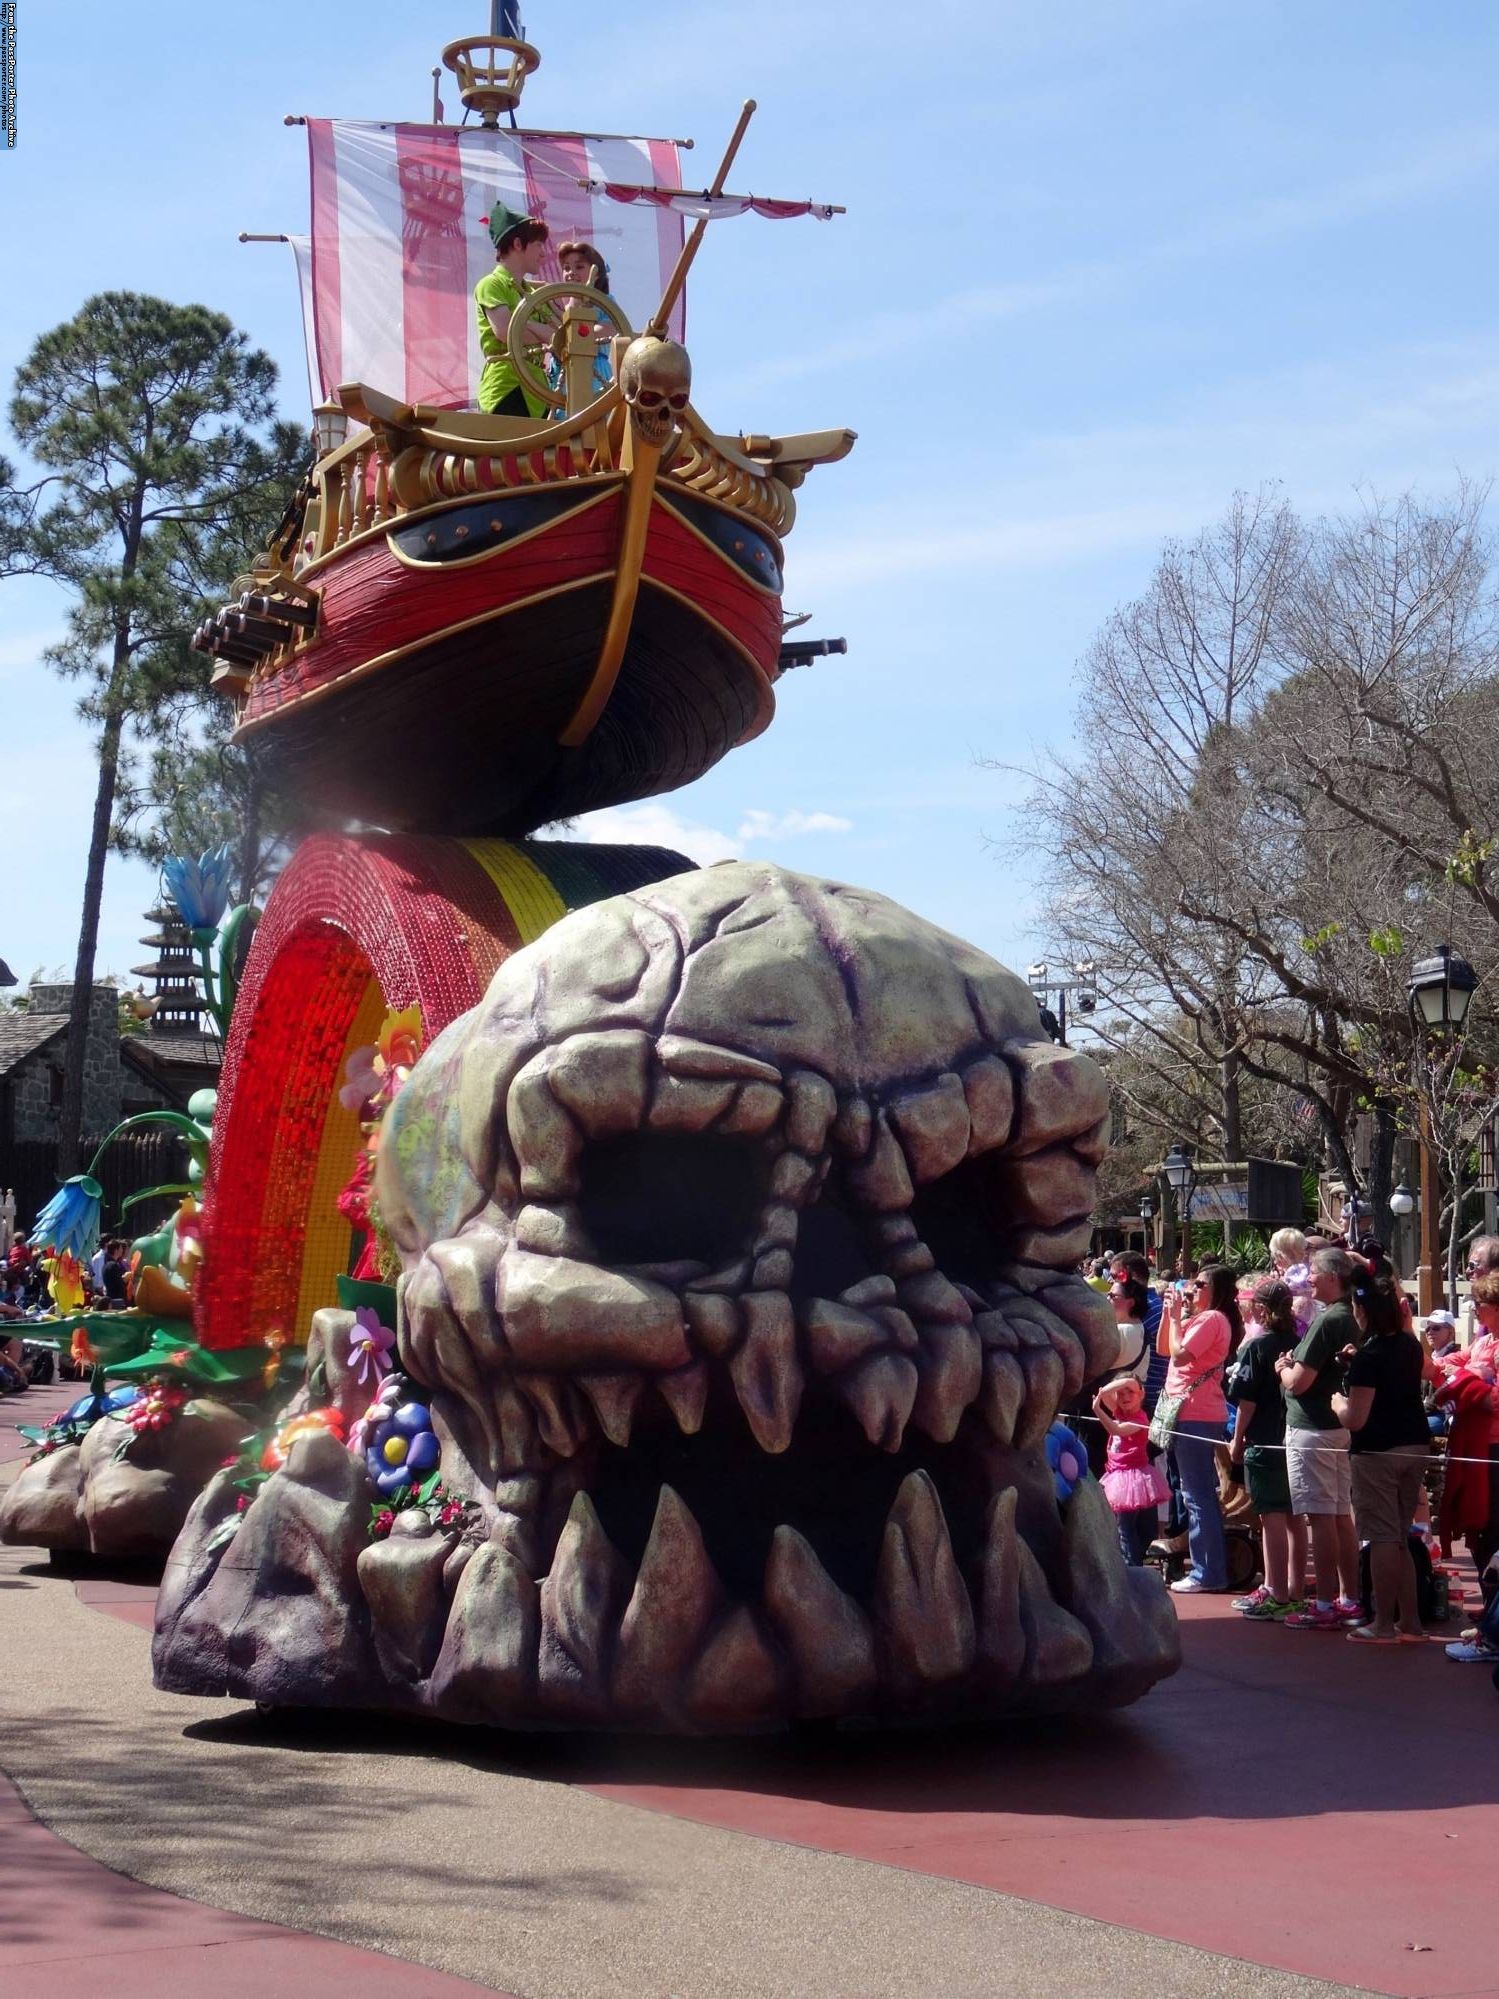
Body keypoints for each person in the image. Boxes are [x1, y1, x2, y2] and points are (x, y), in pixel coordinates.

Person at [1331, 1268, 1430, 1644]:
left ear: (1363, 1309)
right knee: (1401, 1535)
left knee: (1382, 1537)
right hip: (1414, 1444)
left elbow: (1355, 1419)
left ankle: (1383, 1623)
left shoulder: (1369, 1357)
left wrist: (1337, 1402)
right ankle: (1411, 1623)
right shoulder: (1409, 1345)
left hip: (1377, 1451)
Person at [1278, 1247, 1362, 1629]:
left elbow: (1299, 1382)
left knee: (1322, 1517)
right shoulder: (1354, 1316)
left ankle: (1325, 1604)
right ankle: (1349, 1598)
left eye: (1313, 1272)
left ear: (1331, 1277)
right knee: (1341, 1515)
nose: (1308, 1278)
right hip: (1338, 1426)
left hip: (1312, 1427)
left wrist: (1282, 1369)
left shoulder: (1328, 1320)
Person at [1227, 1276, 1308, 1619]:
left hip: (1265, 1439)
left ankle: (1276, 1591)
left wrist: (1237, 1439)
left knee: (1271, 1516)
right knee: (1294, 1516)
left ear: (1260, 1309)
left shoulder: (1257, 1348)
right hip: (1293, 1436)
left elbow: (1246, 1401)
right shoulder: (1300, 1343)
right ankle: (1295, 1590)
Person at [1157, 1263, 1237, 1593]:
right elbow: (1165, 1348)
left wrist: (1176, 1319)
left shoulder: (1213, 1319)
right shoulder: (1197, 1319)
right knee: (1193, 1492)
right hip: (1186, 1412)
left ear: (1216, 1290)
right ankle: (1207, 1568)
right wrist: (1169, 1314)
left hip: (1196, 1413)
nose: (1193, 1288)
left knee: (1197, 1494)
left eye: (1201, 1284)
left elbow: (1181, 1357)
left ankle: (1209, 1573)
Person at [474, 202, 553, 417]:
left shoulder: (534, 294)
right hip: (506, 389)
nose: (543, 253)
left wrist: (525, 327)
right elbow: (505, 332)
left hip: (539, 394)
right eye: (538, 244)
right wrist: (537, 332)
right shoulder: (491, 284)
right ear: (518, 244)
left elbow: (557, 336)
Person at [1096, 1374, 1170, 1565]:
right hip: (1116, 1476)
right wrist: (1106, 1393)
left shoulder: (1140, 1419)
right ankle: (1130, 1561)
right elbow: (1106, 1396)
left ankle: (1132, 1566)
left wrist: (1097, 1408)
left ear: (1141, 1393)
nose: (1125, 1396)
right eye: (1120, 1394)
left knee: (1128, 1528)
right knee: (1124, 1527)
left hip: (1134, 1479)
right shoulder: (1120, 1412)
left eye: (1130, 1392)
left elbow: (1115, 1430)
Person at [548, 239, 615, 403]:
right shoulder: (562, 308)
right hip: (563, 376)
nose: (571, 272)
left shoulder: (605, 301)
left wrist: (573, 336)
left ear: (596, 273)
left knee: (593, 422)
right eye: (566, 268)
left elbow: (611, 328)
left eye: (579, 267)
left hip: (594, 374)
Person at [1107, 1271, 1151, 1381]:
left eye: (1113, 1296)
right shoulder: (1140, 1328)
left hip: (1115, 1395)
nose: (1107, 1299)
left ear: (1131, 1303)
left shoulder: (1121, 1331)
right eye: (1108, 1294)